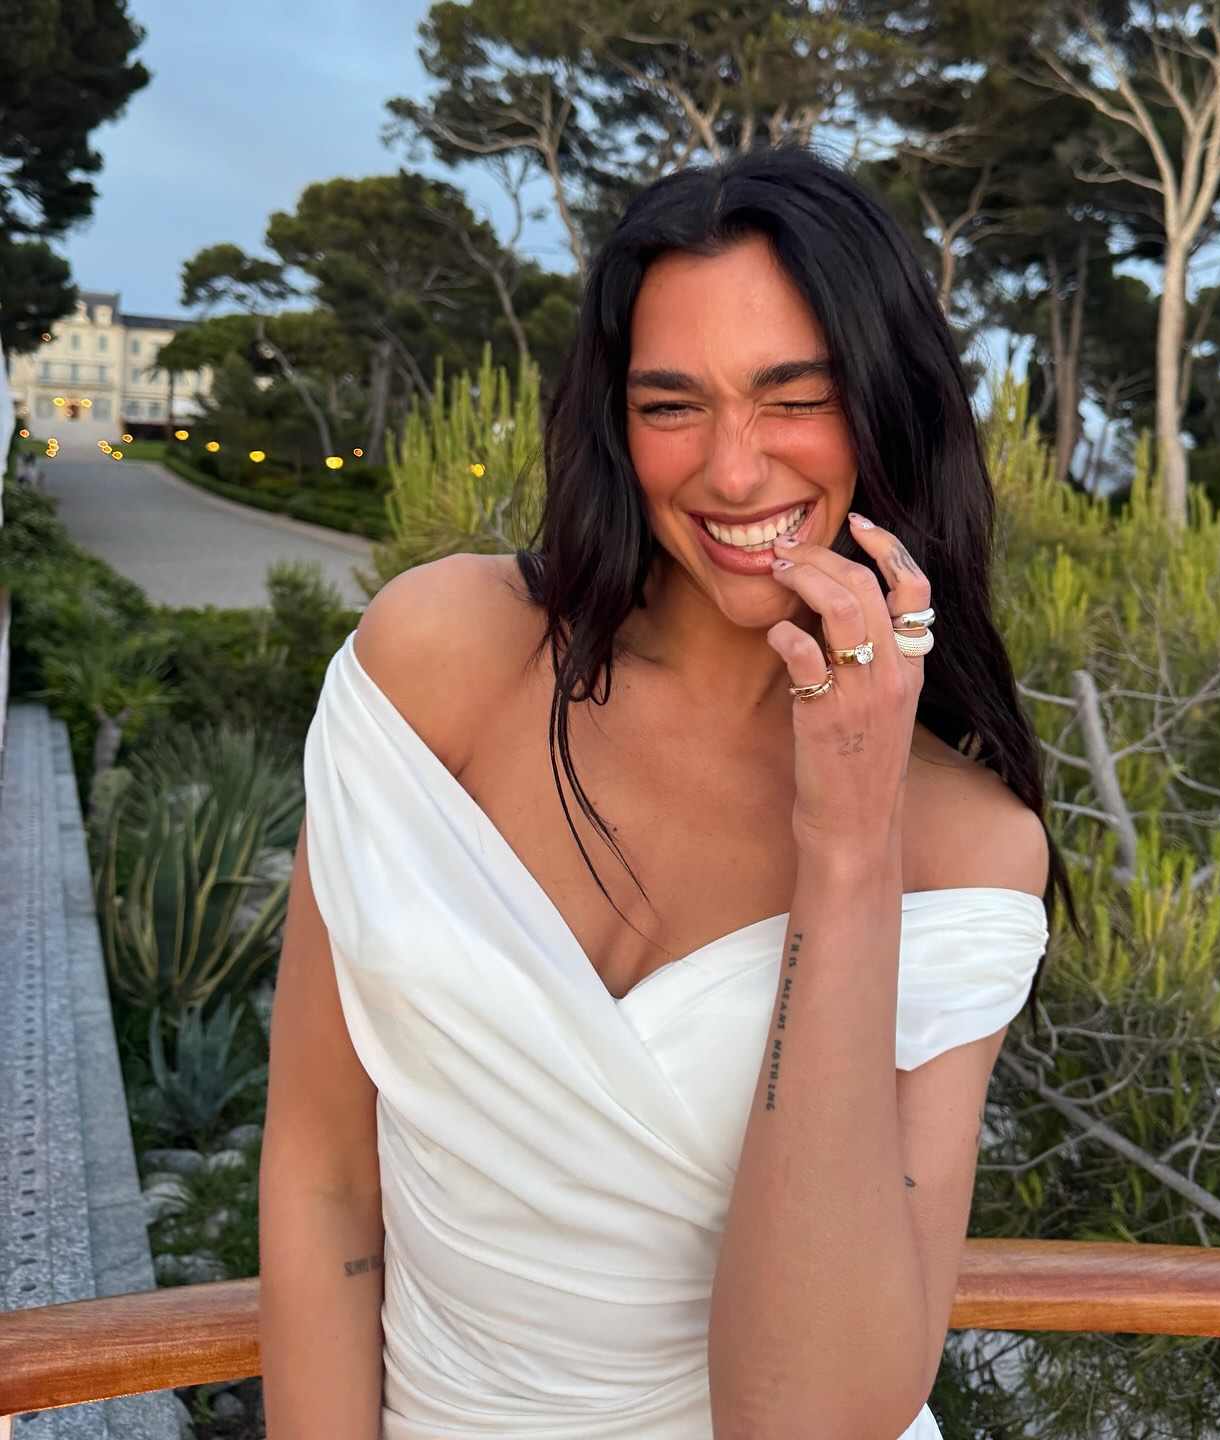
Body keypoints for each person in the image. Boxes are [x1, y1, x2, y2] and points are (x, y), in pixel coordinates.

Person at [259, 144, 1075, 1440]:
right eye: (672, 404)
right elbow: (320, 1177)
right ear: (615, 421)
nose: (733, 473)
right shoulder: (441, 656)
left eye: (794, 397)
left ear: (886, 406)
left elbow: (805, 1419)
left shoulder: (968, 849)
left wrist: (850, 841)